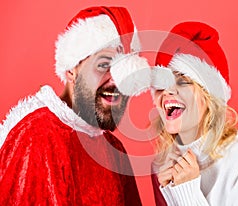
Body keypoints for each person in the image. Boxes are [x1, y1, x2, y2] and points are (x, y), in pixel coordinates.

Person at [0, 6, 150, 205]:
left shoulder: (114, 150)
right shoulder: (36, 137)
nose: (115, 81)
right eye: (104, 65)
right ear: (72, 69)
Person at [150, 22, 238, 205]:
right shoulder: (163, 165)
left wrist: (187, 192)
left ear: (210, 96)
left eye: (182, 81)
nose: (167, 91)